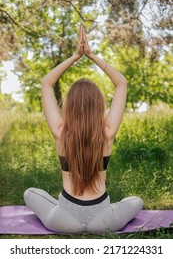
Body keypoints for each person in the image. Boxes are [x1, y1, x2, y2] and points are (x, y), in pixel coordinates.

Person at [24, 25, 143, 234]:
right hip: (103, 220)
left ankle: (58, 208)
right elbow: (121, 83)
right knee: (136, 201)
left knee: (30, 193)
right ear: (98, 105)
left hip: (64, 219)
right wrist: (91, 55)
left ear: (69, 105)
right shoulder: (107, 131)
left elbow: (46, 83)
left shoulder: (61, 132)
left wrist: (75, 56)